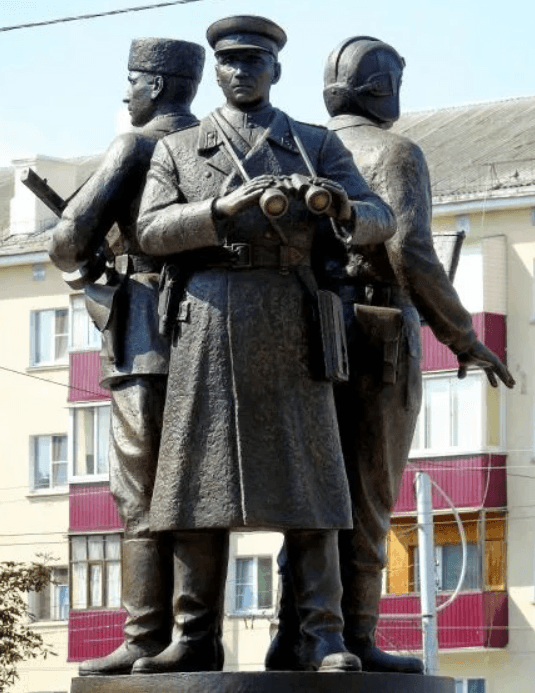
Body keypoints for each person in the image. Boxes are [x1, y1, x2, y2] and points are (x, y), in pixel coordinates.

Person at [132, 16, 397, 675]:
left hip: (292, 317)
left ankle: (321, 634)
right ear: (216, 71)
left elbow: (379, 216)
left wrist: (340, 209)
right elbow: (149, 232)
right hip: (209, 319)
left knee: (313, 484)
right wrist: (221, 211)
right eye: (230, 62)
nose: (241, 71)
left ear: (276, 71)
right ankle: (194, 636)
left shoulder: (310, 144)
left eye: (254, 61)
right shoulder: (179, 150)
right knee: (196, 486)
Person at [266, 36, 516, 674]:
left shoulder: (303, 145)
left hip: (308, 331)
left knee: (314, 494)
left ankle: (293, 636)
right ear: (384, 87)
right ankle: (357, 635)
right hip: (379, 333)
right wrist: (462, 335)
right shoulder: (396, 152)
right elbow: (411, 252)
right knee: (370, 494)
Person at [48, 37, 205, 676]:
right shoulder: (211, 142)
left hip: (145, 334)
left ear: (160, 85)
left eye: (134, 80)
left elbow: (66, 241)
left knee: (137, 490)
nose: (127, 94)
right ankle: (194, 635)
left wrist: (91, 251)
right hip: (210, 336)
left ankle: (144, 635)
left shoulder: (137, 146)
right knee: (198, 491)